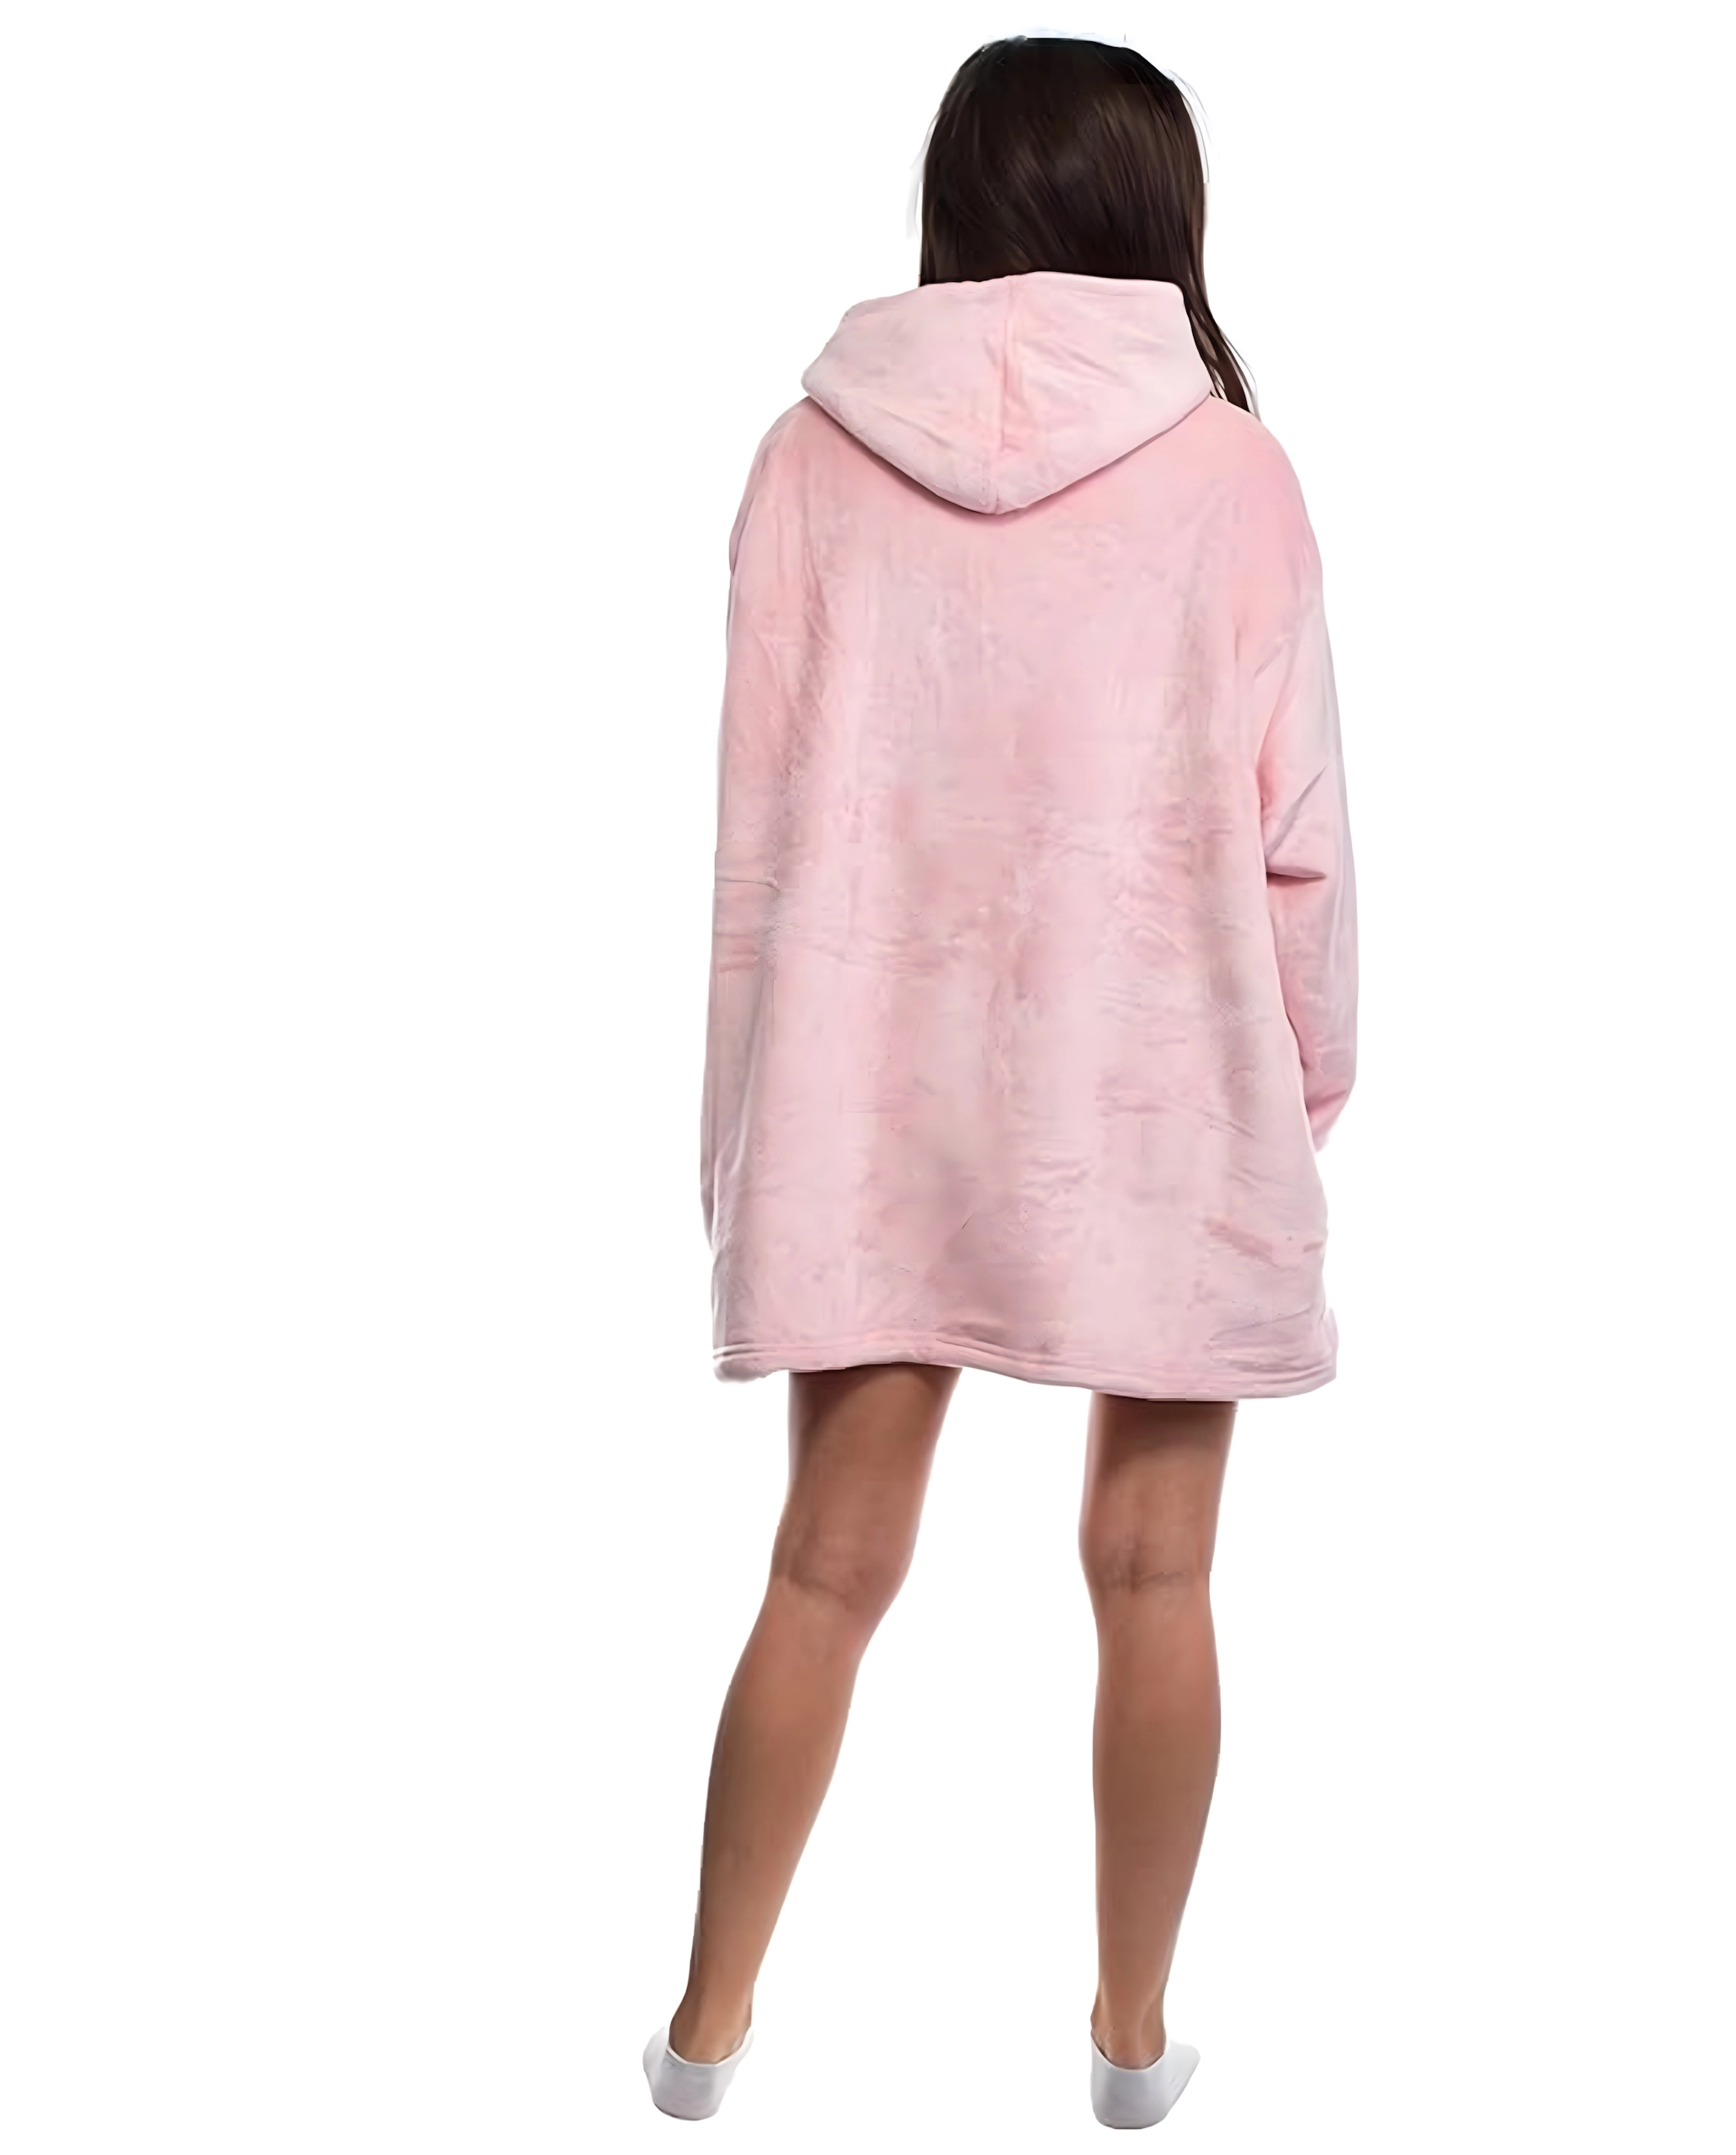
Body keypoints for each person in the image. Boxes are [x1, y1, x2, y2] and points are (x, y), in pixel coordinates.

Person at [646, 35, 1358, 2131]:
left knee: (820, 1566)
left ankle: (700, 2034)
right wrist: (1295, 1095)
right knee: (1154, 1572)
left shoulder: (806, 456)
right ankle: (1130, 2046)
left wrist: (758, 1143)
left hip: (873, 1098)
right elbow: (1299, 836)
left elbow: (755, 839)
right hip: (1158, 1090)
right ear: (1155, 209)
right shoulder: (1229, 471)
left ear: (953, 201)